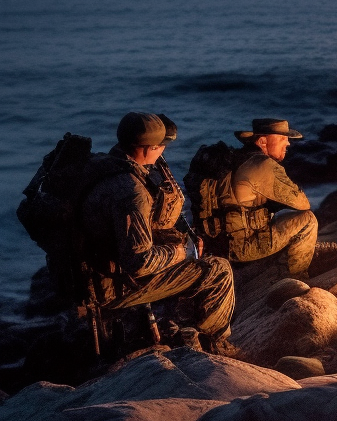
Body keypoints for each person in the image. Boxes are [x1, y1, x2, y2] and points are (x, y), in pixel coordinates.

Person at [80, 112, 236, 355]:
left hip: (90, 278)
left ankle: (176, 327)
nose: (163, 152)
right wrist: (180, 252)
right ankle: (214, 345)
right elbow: (139, 263)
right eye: (161, 146)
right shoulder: (131, 193)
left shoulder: (105, 166)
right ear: (147, 149)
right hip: (115, 289)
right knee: (219, 270)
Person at [228, 118, 319, 280]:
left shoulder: (237, 158)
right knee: (308, 220)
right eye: (282, 138)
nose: (288, 143)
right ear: (263, 141)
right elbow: (303, 203)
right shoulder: (262, 164)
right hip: (242, 248)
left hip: (221, 242)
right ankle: (297, 279)